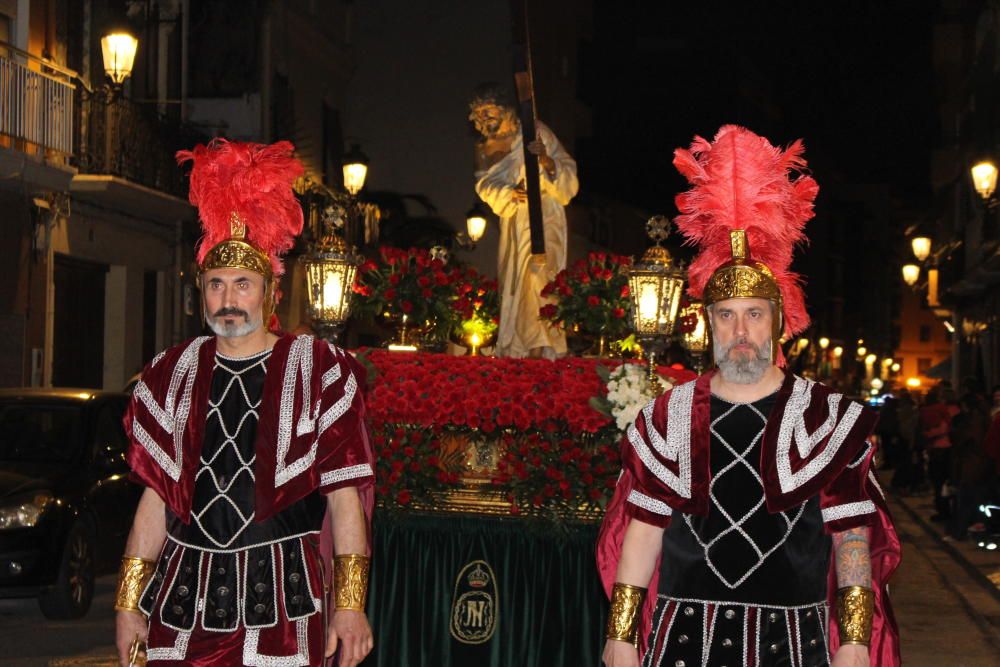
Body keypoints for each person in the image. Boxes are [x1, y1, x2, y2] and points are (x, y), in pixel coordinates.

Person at [597, 126, 900, 667]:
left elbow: (851, 537)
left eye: (754, 315)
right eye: (727, 316)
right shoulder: (667, 416)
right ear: (709, 324)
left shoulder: (825, 418)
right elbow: (642, 531)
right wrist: (621, 632)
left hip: (794, 642)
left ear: (778, 324)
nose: (740, 331)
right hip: (684, 641)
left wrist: (853, 640)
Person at [113, 140, 376, 667]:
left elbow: (345, 496)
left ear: (269, 293)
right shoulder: (174, 373)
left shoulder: (318, 370)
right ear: (201, 294)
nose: (229, 300)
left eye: (242, 284)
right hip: (182, 602)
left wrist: (350, 606)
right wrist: (127, 603)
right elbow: (156, 500)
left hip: (283, 601)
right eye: (215, 285)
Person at [469, 83, 579, 359]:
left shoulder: (535, 130)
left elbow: (566, 171)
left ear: (506, 109)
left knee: (540, 273)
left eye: (490, 111)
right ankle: (517, 344)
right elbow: (484, 185)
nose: (485, 119)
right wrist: (509, 192)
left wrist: (545, 161)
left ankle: (543, 344)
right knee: (516, 280)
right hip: (515, 220)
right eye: (480, 114)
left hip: (546, 214)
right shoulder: (485, 148)